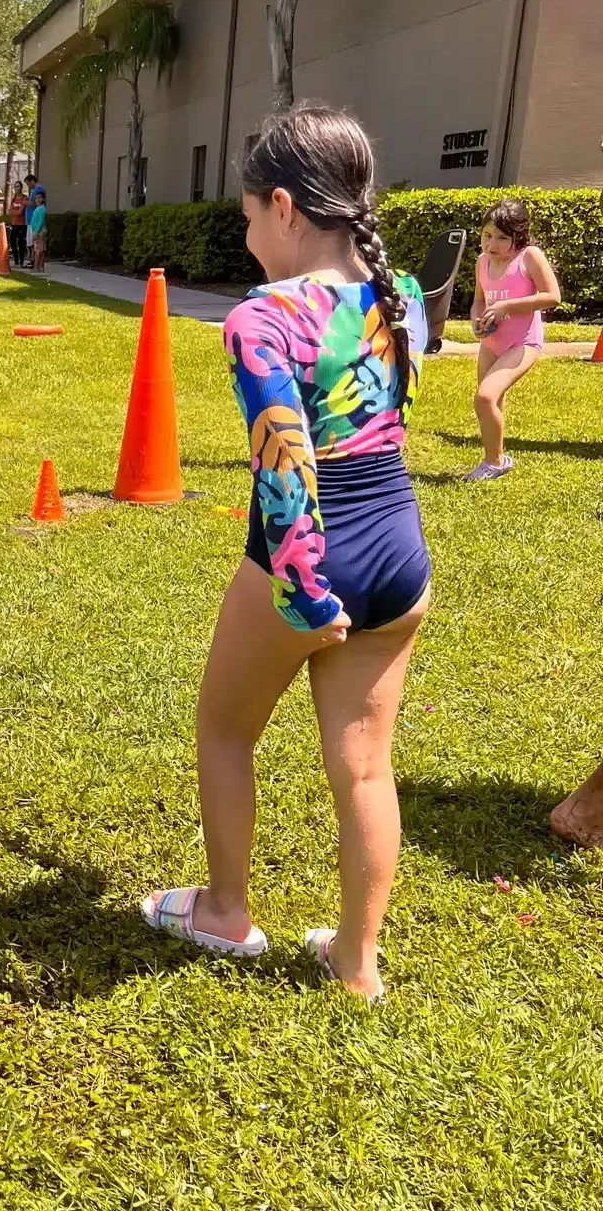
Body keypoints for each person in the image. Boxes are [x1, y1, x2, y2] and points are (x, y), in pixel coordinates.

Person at [142, 104, 430, 1002]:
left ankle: (225, 911)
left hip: (313, 557)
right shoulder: (404, 294)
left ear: (284, 207)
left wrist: (305, 588)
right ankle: (357, 962)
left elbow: (286, 461)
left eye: (246, 215)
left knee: (225, 729)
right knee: (366, 767)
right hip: (400, 551)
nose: (245, 231)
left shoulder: (262, 319)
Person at [463, 198, 561, 482]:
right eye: (487, 235)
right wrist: (476, 322)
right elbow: (479, 301)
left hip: (523, 343)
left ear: (518, 237)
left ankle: (494, 463)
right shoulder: (482, 261)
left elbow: (552, 297)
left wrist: (508, 306)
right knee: (494, 400)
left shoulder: (529, 257)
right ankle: (498, 457)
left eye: (502, 238)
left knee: (484, 397)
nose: (491, 245)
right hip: (491, 343)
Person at [7, 182, 28, 269]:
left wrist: (15, 212)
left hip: (22, 224)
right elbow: (10, 211)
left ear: (21, 187)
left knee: (21, 243)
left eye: (18, 186)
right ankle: (16, 261)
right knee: (12, 241)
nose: (16, 188)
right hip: (14, 223)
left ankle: (21, 261)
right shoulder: (14, 199)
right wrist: (15, 212)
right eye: (15, 186)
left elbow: (20, 212)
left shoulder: (24, 198)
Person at [27, 189, 47, 270]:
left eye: (39, 197)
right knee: (38, 250)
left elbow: (41, 221)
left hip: (39, 232)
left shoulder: (42, 209)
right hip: (37, 231)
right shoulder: (38, 208)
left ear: (43, 199)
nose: (38, 199)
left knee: (38, 250)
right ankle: (40, 267)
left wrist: (36, 232)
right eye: (36, 198)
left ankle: (37, 267)